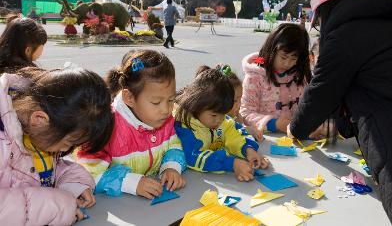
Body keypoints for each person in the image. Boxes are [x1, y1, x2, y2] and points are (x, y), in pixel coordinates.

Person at [287, 0, 392, 225]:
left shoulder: (345, 35)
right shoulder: (389, 22)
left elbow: (320, 93)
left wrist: (295, 127)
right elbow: (367, 89)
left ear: (324, 12)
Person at [0, 67, 114, 225]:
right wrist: (58, 206)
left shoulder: (37, 136)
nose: (64, 150)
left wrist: (73, 185)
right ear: (39, 119)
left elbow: (44, 171)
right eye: (68, 143)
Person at [77, 50, 186, 200]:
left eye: (171, 100)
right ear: (129, 97)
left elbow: (174, 146)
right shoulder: (106, 127)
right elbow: (86, 174)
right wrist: (131, 182)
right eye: (156, 102)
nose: (166, 110)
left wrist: (171, 167)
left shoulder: (164, 119)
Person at [174, 67, 268, 182]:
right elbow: (193, 157)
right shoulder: (185, 126)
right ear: (196, 105)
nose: (219, 120)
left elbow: (234, 134)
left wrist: (248, 150)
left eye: (223, 114)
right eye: (214, 115)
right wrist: (231, 163)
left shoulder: (222, 119)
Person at [240, 23, 311, 141]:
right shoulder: (255, 78)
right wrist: (275, 124)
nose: (287, 64)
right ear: (271, 50)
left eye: (293, 58)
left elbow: (307, 107)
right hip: (266, 140)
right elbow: (245, 114)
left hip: (297, 141)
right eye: (283, 57)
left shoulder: (298, 76)